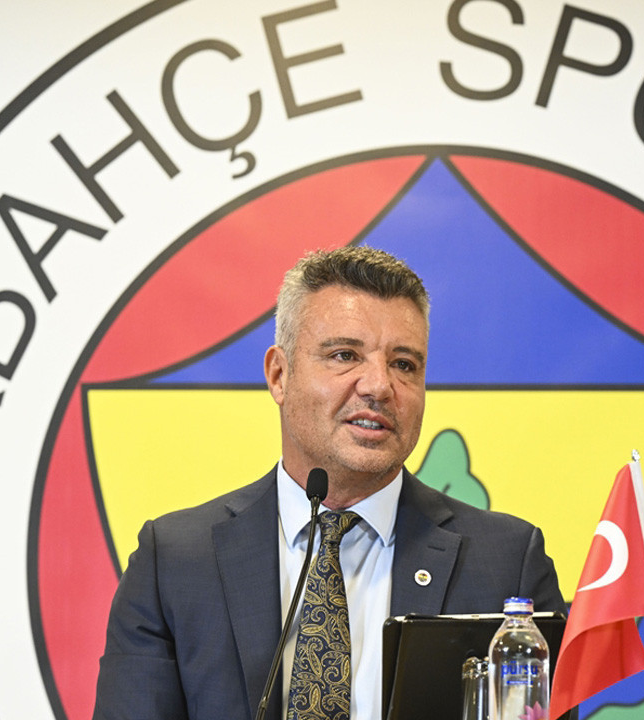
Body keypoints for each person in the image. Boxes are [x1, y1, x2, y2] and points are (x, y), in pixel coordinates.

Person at [93, 246, 565, 720]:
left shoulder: (507, 564)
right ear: (279, 375)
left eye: (404, 364)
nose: (379, 386)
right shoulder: (175, 563)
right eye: (345, 355)